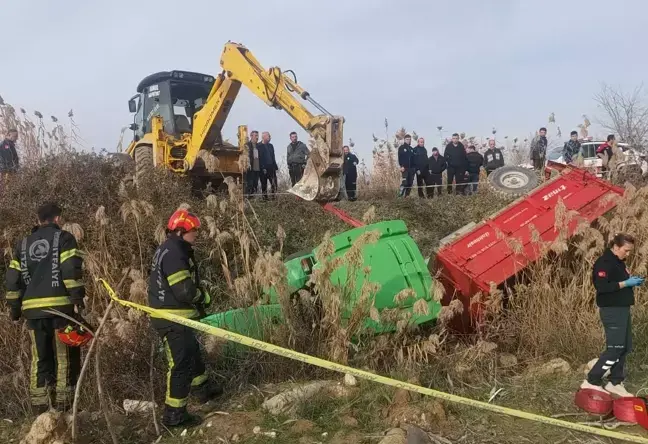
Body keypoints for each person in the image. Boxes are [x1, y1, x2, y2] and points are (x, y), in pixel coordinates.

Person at [5, 203, 85, 413]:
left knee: (40, 358)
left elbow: (13, 279)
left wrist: (14, 309)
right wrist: (78, 301)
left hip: (32, 312)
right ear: (58, 219)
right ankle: (64, 407)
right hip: (60, 310)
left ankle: (40, 408)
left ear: (38, 219)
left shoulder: (22, 244)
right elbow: (70, 271)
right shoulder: (64, 238)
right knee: (64, 357)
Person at [149, 209, 222, 427]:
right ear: (180, 231)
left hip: (176, 316)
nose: (197, 234)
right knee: (180, 364)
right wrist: (203, 297)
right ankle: (174, 415)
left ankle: (203, 390)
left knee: (192, 353)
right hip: (173, 318)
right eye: (193, 231)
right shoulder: (174, 252)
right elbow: (184, 291)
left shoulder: (170, 248)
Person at [581, 234, 645, 398]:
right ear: (616, 247)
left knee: (624, 347)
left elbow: (617, 283)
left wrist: (632, 281)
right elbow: (602, 287)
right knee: (615, 349)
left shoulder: (618, 263)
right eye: (626, 250)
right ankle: (591, 380)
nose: (628, 254)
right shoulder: (605, 262)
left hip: (622, 309)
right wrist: (626, 283)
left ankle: (615, 382)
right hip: (612, 311)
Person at [258, 132, 278, 200]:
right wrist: (262, 167)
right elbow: (258, 158)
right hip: (263, 168)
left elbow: (273, 157)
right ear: (264, 137)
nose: (270, 137)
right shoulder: (259, 146)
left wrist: (275, 167)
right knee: (264, 184)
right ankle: (265, 199)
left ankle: (274, 198)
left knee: (274, 183)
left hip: (271, 168)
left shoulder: (271, 146)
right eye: (269, 136)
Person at [246, 130, 261, 196]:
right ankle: (248, 199)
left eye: (257, 136)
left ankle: (253, 199)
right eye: (255, 135)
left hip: (257, 169)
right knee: (249, 184)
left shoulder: (259, 146)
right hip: (250, 169)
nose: (257, 137)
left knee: (255, 185)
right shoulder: (247, 145)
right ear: (251, 136)